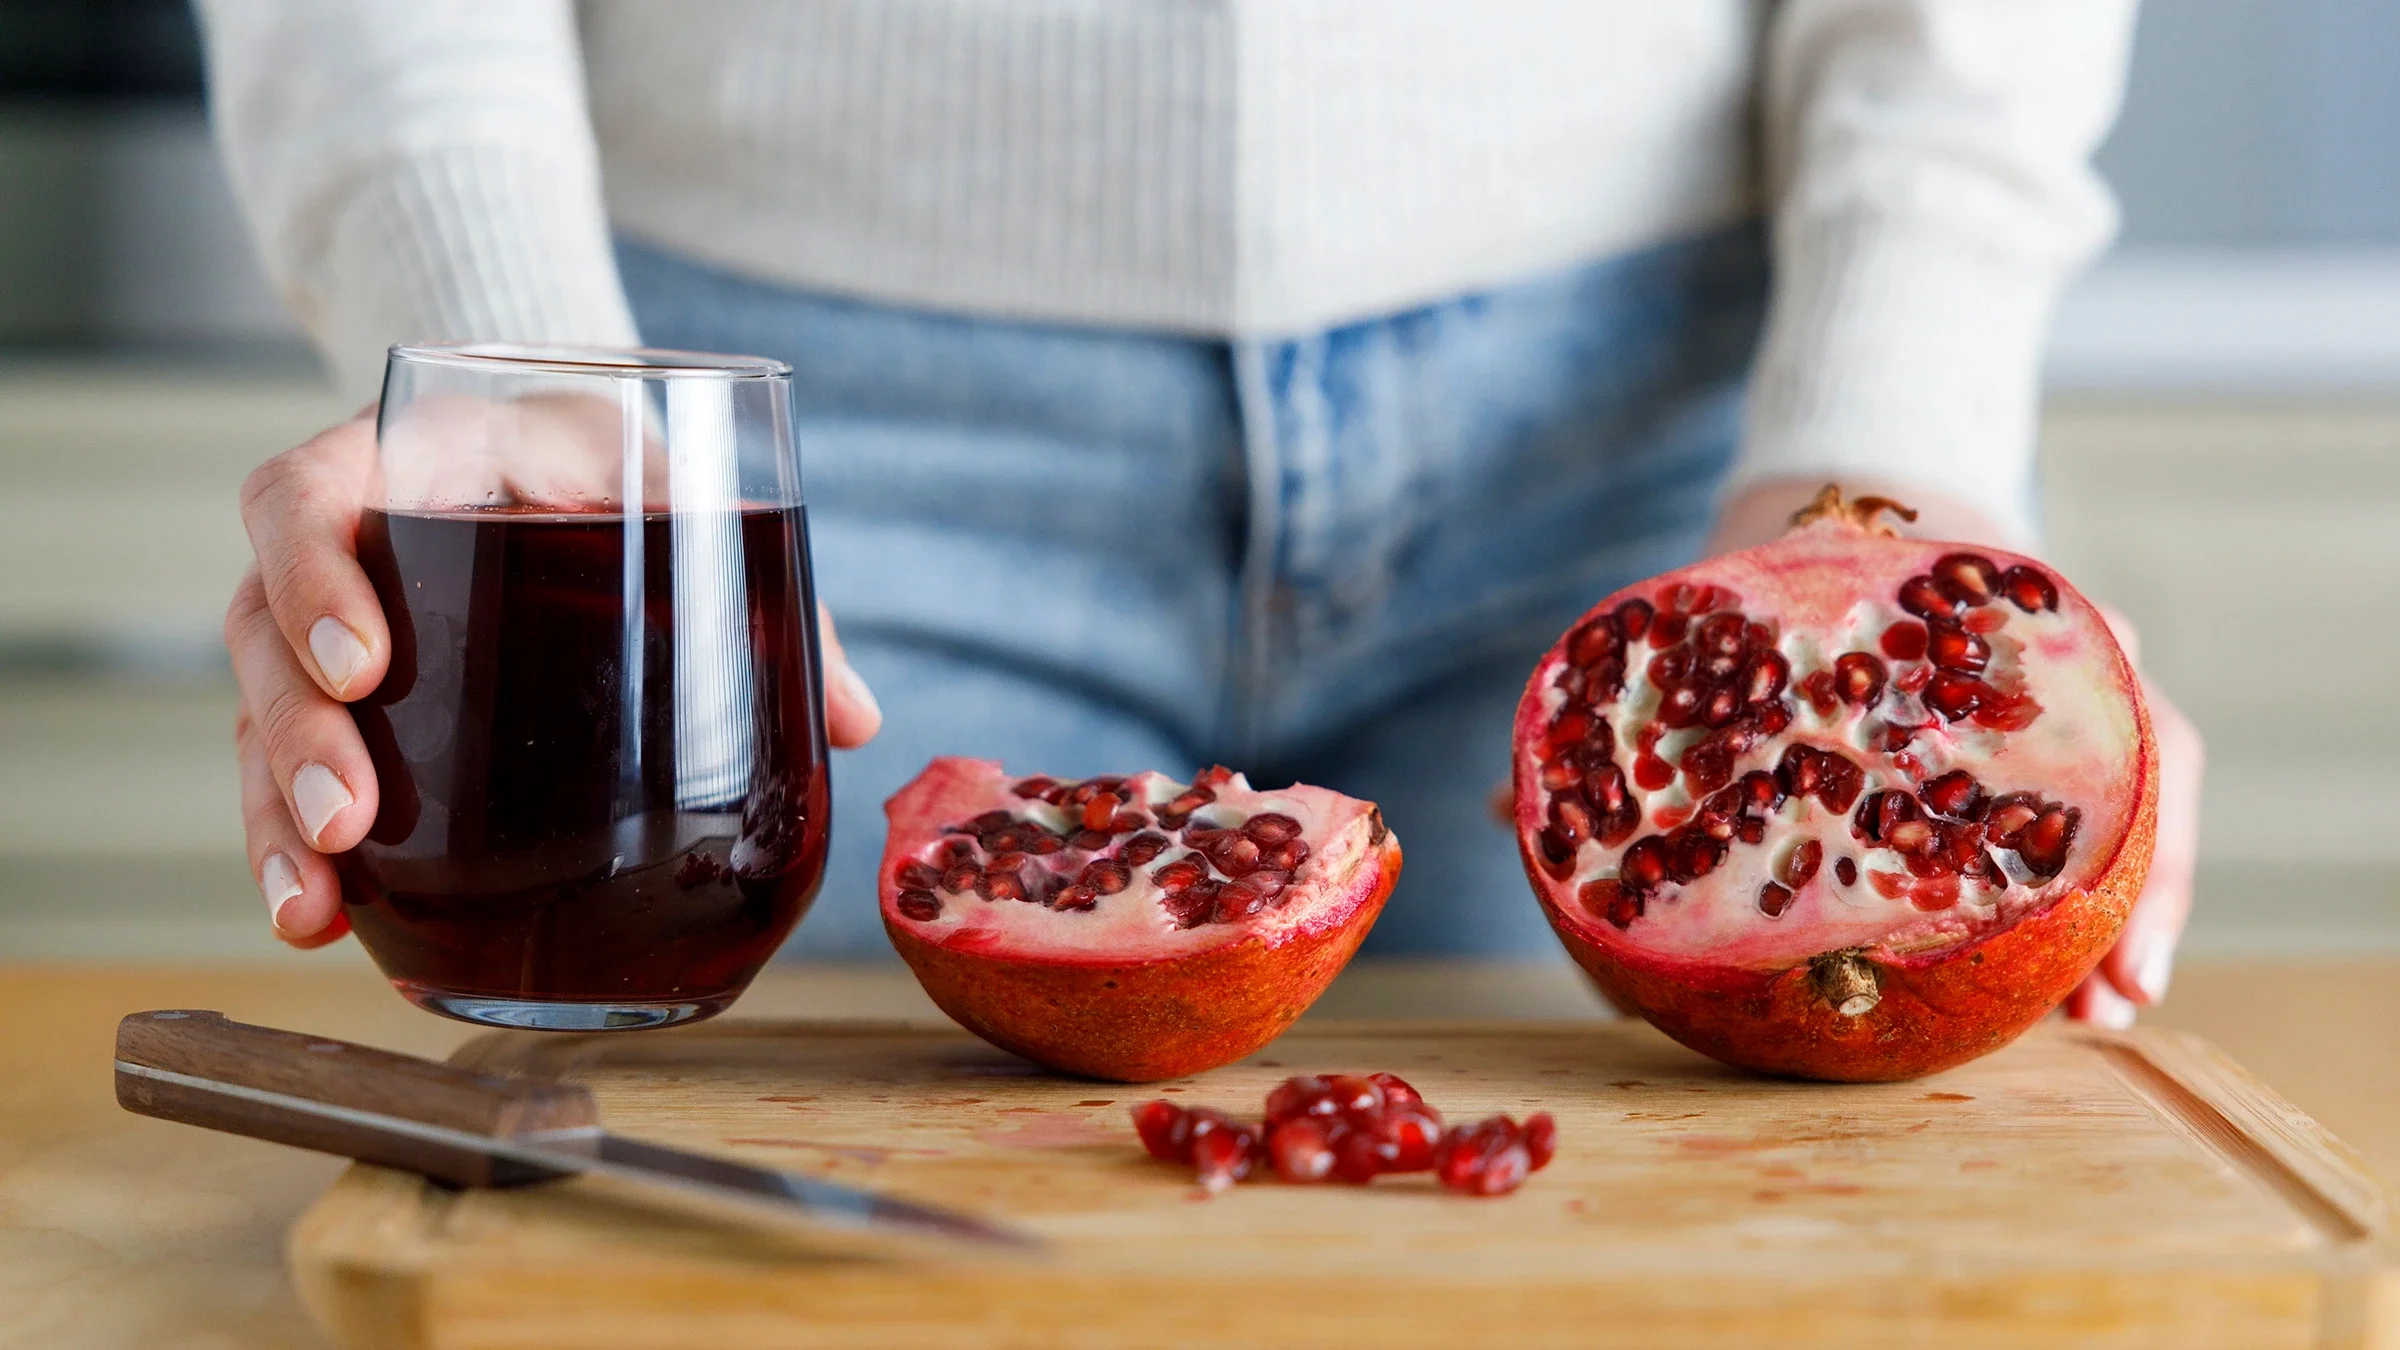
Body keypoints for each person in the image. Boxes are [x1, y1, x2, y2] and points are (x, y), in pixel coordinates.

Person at [198, 1, 2201, 1026]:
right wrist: (510, 376)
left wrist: (1890, 425)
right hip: (746, 446)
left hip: (1660, 420)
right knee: (692, 1252)